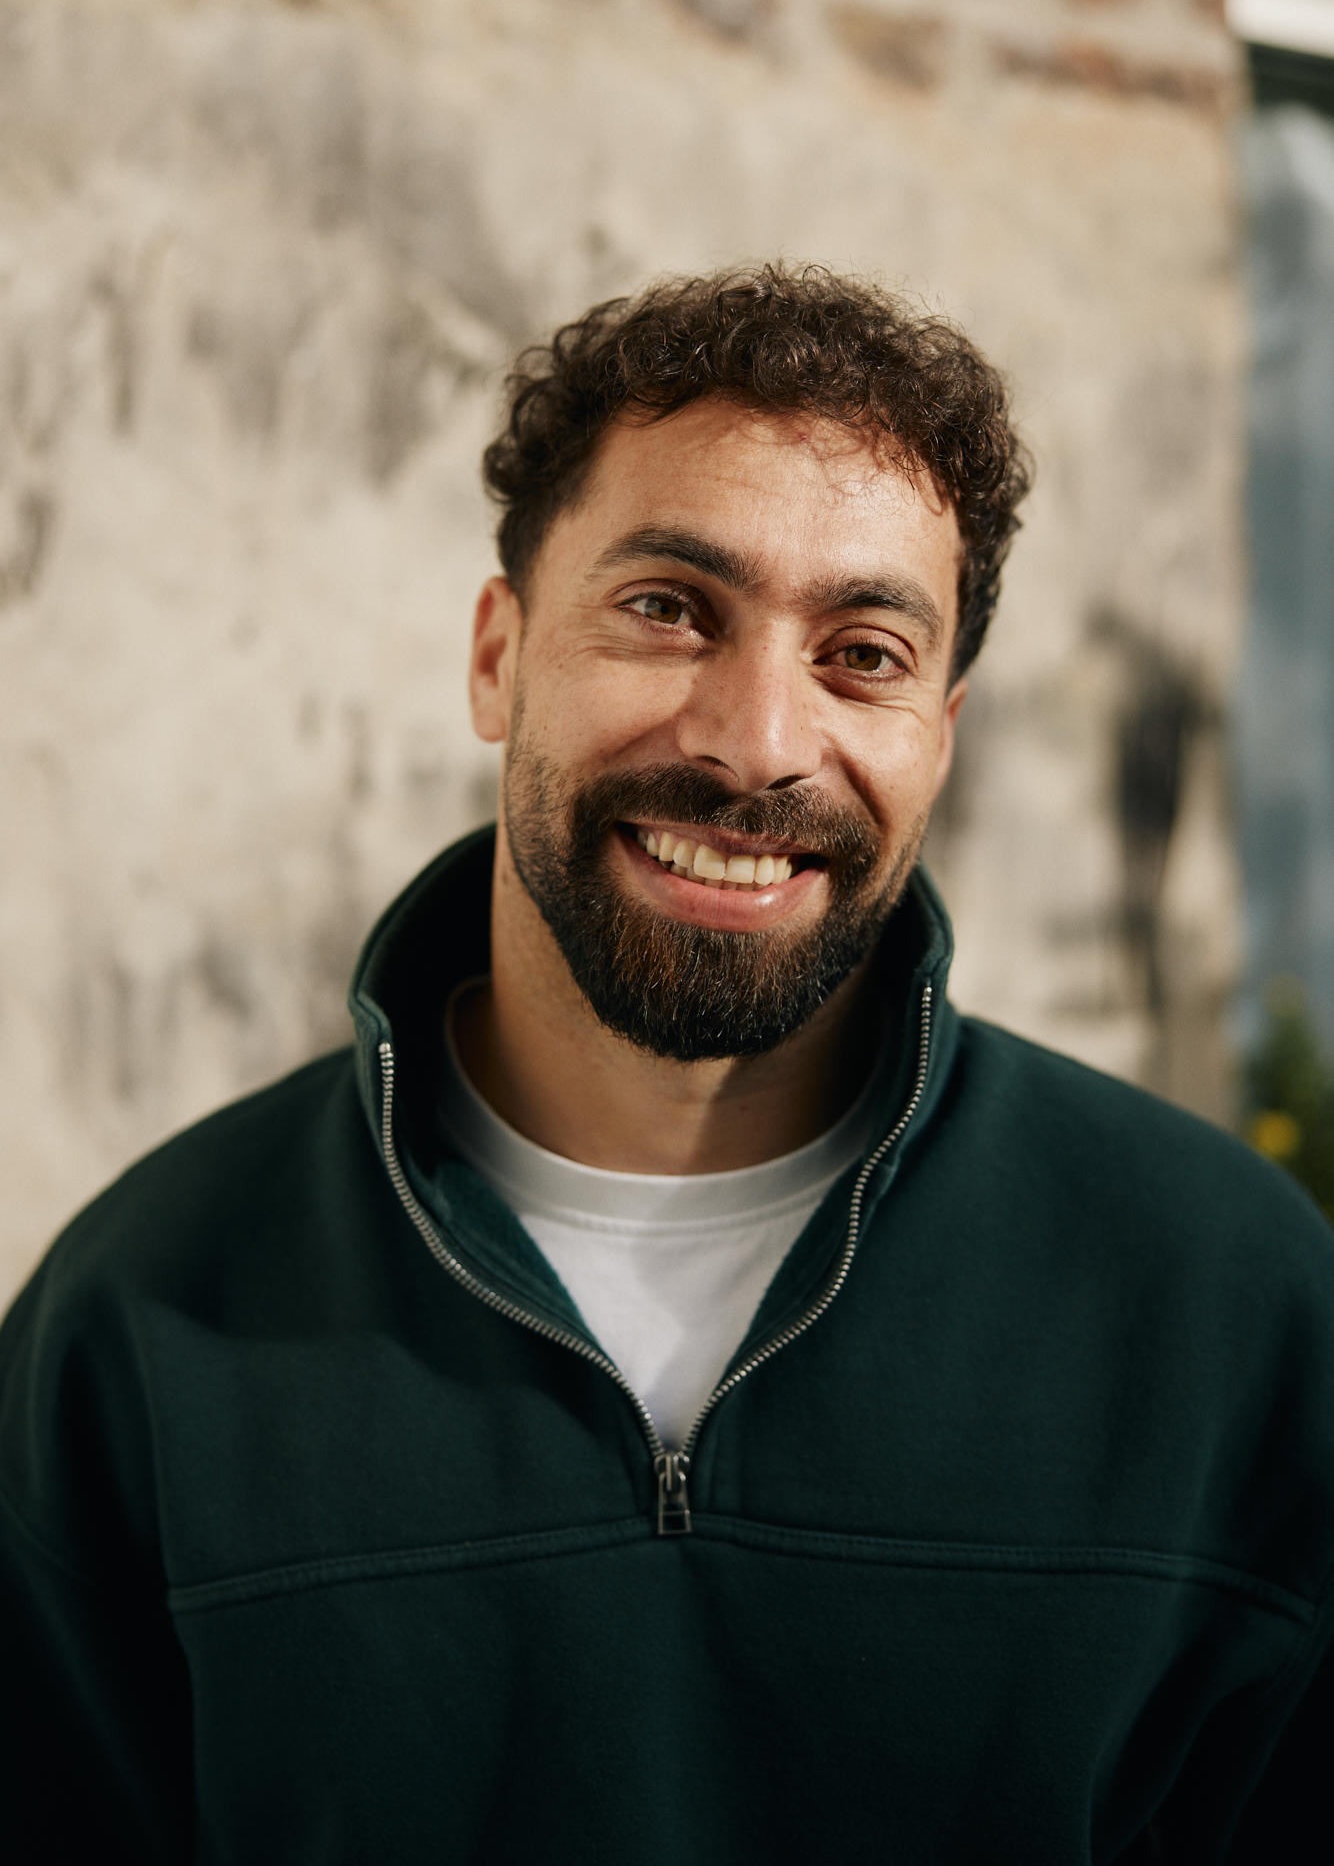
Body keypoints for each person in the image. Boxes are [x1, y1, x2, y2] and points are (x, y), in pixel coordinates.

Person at [2, 266, 1331, 1865]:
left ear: (940, 733)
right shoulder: (145, 1318)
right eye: (668, 610)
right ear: (497, 657)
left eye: (862, 653)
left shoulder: (1227, 1303)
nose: (755, 740)